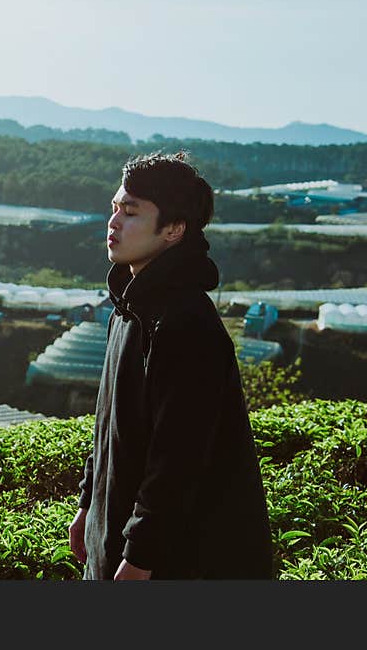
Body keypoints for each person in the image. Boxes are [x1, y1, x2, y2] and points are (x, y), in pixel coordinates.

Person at [68, 151, 273, 580]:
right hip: (119, 541)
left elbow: (179, 457)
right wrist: (89, 504)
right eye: (114, 208)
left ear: (174, 230)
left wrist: (141, 557)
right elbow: (110, 425)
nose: (114, 222)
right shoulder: (128, 308)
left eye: (131, 211)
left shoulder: (186, 323)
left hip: (179, 561)